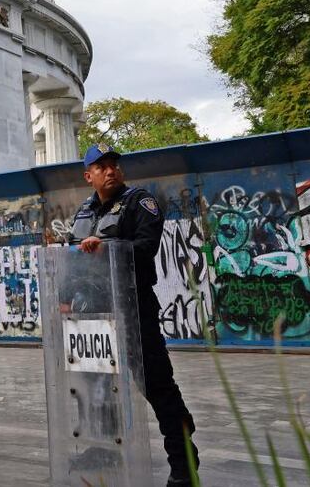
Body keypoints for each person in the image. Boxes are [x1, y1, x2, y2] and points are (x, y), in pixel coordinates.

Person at [69, 143, 200, 487]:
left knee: (155, 384)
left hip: (132, 306)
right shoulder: (83, 212)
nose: (110, 170)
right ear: (89, 176)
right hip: (94, 312)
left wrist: (106, 246)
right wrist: (65, 297)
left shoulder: (141, 202)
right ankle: (103, 447)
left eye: (114, 165)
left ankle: (184, 459)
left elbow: (145, 247)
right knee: (97, 386)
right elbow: (71, 255)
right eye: (101, 167)